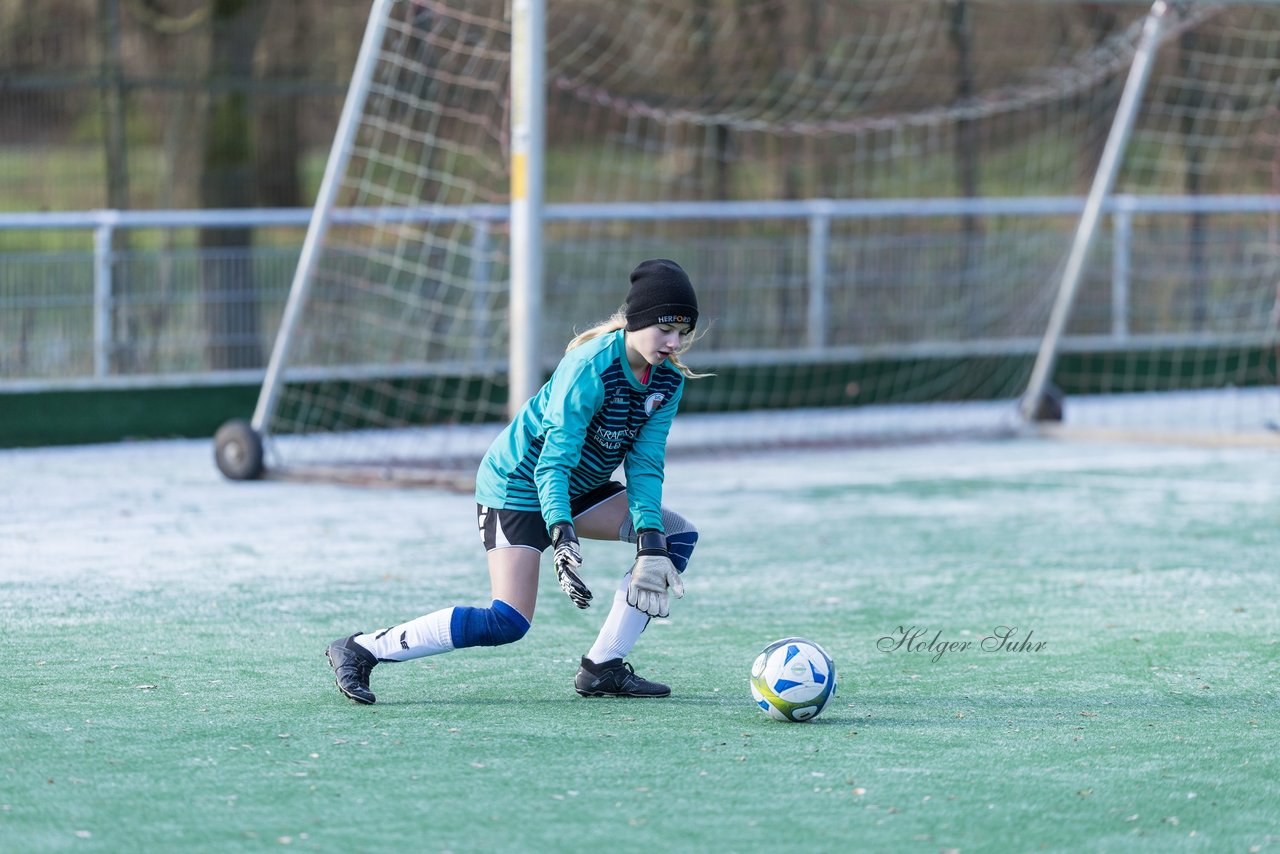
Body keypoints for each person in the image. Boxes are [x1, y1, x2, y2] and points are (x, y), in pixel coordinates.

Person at [325, 258, 708, 704]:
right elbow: (552, 463)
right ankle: (361, 648)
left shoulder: (667, 380)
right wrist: (562, 534)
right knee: (507, 621)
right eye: (665, 328)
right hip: (518, 486)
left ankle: (602, 667)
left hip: (582, 487)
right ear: (637, 320)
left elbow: (645, 464)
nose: (674, 342)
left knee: (673, 538)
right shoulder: (589, 367)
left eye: (683, 331)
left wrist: (650, 545)